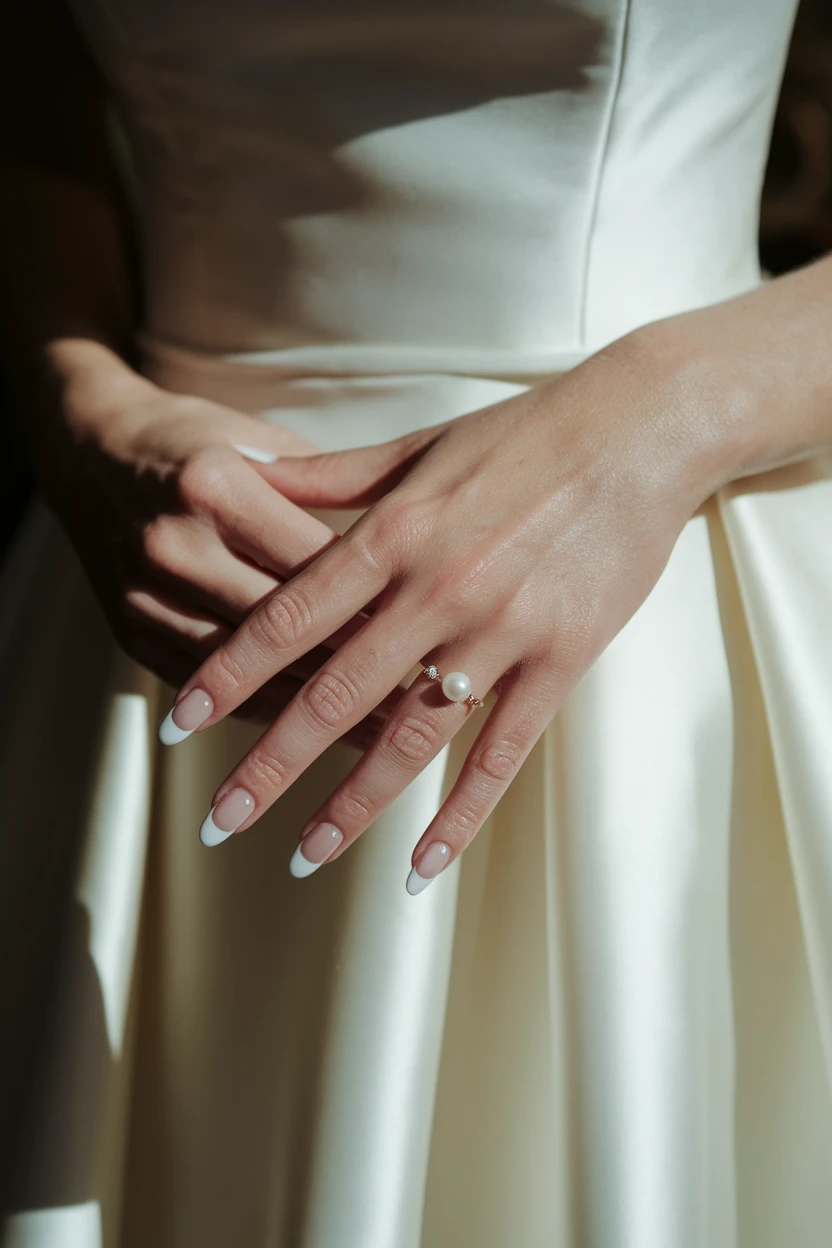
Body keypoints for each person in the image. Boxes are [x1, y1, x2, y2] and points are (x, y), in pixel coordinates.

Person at [2, 0, 832, 1244]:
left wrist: (663, 414)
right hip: (161, 590)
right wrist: (83, 415)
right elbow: (27, 110)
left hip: (653, 606)